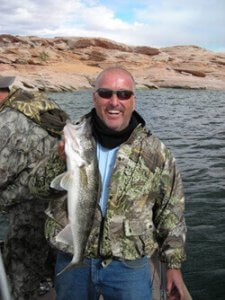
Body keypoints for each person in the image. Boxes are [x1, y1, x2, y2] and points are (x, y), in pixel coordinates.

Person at [29, 67, 187, 300]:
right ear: (94, 97)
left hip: (129, 267)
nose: (114, 102)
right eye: (106, 93)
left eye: (123, 94)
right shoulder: (69, 142)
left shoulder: (157, 152)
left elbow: (171, 212)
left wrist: (173, 266)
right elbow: (38, 188)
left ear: (133, 100)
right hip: (73, 260)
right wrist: (58, 161)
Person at [0, 76, 68, 299]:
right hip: (61, 198)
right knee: (55, 260)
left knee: (20, 266)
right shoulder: (37, 102)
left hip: (30, 208)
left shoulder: (6, 122)